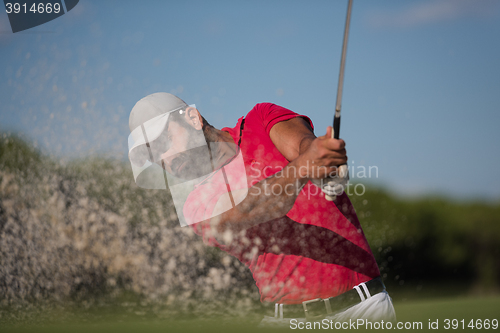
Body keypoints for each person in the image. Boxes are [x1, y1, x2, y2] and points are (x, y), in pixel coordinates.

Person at [128, 92, 396, 326]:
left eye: (165, 141)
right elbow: (252, 208)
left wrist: (322, 156)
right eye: (154, 155)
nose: (166, 159)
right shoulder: (193, 204)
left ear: (193, 118)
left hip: (363, 310)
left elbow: (303, 146)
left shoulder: (259, 119)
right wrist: (306, 166)